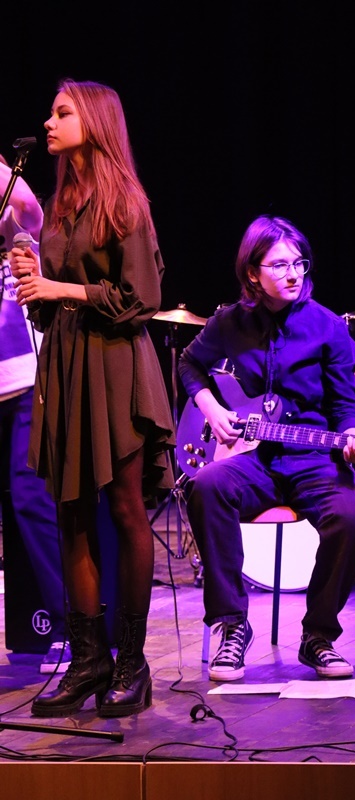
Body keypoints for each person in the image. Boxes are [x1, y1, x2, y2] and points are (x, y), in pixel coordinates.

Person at [10, 78, 175, 718]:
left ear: (96, 122)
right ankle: (88, 663)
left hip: (115, 366)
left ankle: (132, 664)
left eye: (62, 113)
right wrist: (35, 282)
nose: (48, 123)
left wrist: (62, 290)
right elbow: (51, 307)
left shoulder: (125, 202)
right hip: (67, 365)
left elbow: (141, 300)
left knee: (126, 510)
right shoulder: (60, 204)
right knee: (71, 514)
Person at [178, 214, 355, 681]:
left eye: (299, 263)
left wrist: (352, 437)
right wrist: (211, 408)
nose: (293, 274)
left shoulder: (327, 326)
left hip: (316, 460)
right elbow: (190, 363)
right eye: (280, 265)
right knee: (206, 485)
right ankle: (233, 626)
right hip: (256, 459)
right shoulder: (230, 321)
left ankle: (318, 635)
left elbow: (344, 404)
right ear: (253, 273)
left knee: (354, 518)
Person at [0, 154, 72, 674]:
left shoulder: (17, 225)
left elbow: (25, 202)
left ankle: (72, 627)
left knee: (32, 501)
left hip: (26, 380)